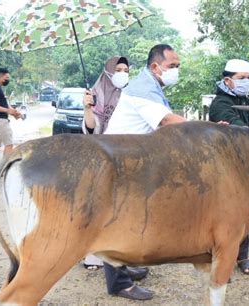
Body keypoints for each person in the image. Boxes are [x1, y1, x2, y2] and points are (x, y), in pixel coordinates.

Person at [82, 56, 152, 301]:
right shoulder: (97, 94)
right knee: (112, 218)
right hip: (105, 160)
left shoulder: (132, 93)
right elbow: (92, 129)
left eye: (126, 69)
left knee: (126, 218)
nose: (123, 73)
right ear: (108, 72)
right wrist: (87, 108)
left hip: (129, 160)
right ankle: (117, 278)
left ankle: (124, 265)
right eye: (118, 70)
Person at [208, 59, 249, 275]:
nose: (246, 82)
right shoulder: (221, 104)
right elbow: (243, 131)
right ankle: (221, 258)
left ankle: (242, 256)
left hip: (241, 166)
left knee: (241, 213)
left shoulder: (243, 98)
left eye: (248, 78)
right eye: (241, 78)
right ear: (227, 81)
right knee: (224, 214)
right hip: (224, 168)